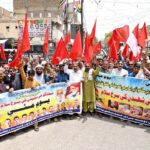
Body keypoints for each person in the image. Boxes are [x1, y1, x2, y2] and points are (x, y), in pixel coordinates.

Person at [19, 64, 40, 131]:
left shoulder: (35, 82)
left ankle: (35, 125)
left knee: (34, 112)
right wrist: (21, 65)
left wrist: (36, 87)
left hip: (33, 101)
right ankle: (26, 126)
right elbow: (22, 72)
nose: (30, 76)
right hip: (26, 100)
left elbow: (41, 88)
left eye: (32, 75)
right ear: (28, 75)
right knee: (26, 112)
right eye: (29, 74)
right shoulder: (25, 79)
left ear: (33, 75)